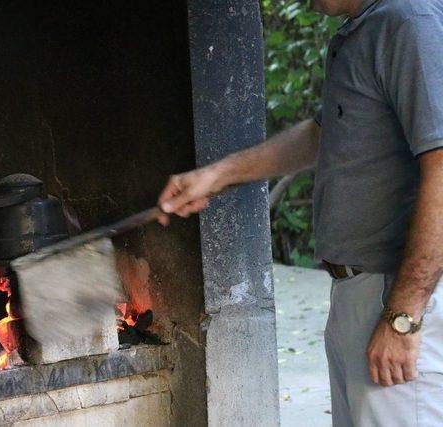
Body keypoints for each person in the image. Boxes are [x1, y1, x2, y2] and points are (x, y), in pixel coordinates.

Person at [157, 0, 443, 425]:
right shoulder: (363, 29)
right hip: (358, 293)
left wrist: (403, 318)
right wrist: (216, 175)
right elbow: (320, 135)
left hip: (397, 297)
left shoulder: (409, 22)